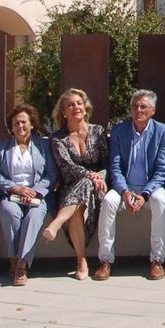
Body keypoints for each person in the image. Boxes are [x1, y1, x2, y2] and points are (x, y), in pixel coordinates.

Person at [101, 89, 165, 280]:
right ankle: (105, 260)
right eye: (135, 106)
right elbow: (115, 166)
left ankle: (157, 260)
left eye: (143, 106)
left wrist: (145, 194)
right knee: (108, 201)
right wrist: (124, 191)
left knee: (160, 201)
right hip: (124, 187)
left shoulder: (162, 131)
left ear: (152, 111)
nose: (138, 110)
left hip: (150, 188)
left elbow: (163, 170)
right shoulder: (119, 130)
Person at [42, 88, 110, 281]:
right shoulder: (58, 138)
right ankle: (82, 260)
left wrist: (99, 177)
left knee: (87, 184)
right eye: (70, 105)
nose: (76, 107)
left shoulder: (98, 131)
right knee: (83, 187)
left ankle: (57, 224)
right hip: (69, 188)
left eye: (79, 103)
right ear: (63, 112)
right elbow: (66, 166)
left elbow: (108, 163)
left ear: (85, 107)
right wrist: (90, 175)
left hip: (98, 188)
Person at [0, 103, 56, 287]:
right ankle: (14, 258)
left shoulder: (44, 146)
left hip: (37, 195)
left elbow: (51, 175)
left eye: (24, 122)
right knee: (9, 212)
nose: (20, 126)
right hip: (12, 194)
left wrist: (35, 191)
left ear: (32, 124)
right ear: (11, 127)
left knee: (33, 217)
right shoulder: (1, 147)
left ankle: (22, 265)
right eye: (16, 123)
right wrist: (14, 187)